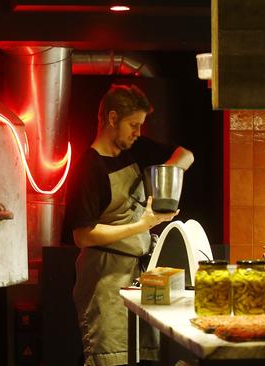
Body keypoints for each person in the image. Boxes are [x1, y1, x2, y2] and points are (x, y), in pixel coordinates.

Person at [62, 84, 194, 366]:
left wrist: (165, 183)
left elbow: (186, 155)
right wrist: (142, 225)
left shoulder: (136, 149)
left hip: (137, 276)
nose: (138, 132)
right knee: (111, 358)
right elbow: (83, 235)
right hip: (105, 279)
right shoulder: (89, 168)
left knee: (143, 355)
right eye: (133, 125)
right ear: (112, 119)